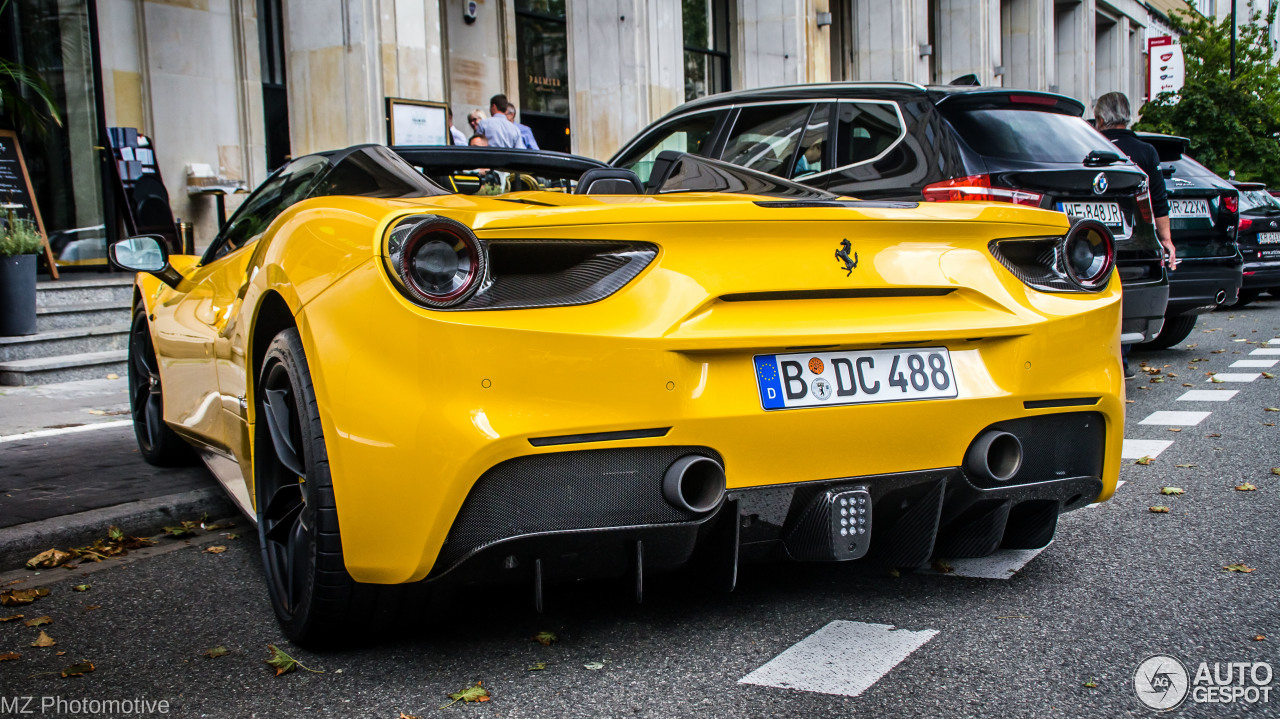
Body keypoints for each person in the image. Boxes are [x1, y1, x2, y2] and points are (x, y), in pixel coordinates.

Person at [1094, 91, 1178, 380]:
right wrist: (1165, 239)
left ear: (1100, 118)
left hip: (1093, 235)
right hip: (1134, 235)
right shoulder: (1145, 152)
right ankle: (1122, 362)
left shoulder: (1091, 144)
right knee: (1127, 292)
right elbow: (1158, 199)